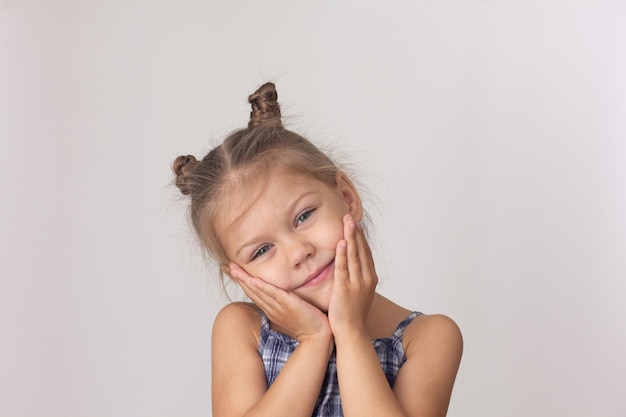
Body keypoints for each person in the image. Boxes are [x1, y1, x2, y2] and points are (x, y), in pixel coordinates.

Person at [172, 82, 463, 417]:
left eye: (304, 216)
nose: (298, 253)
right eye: (261, 250)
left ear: (347, 199)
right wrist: (313, 340)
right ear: (239, 275)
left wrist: (350, 330)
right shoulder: (242, 329)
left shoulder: (427, 338)